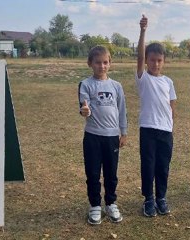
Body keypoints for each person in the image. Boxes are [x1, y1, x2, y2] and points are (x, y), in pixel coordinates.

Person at [78, 45, 128, 225]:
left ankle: (111, 203)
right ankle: (95, 206)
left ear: (110, 63)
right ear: (90, 63)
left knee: (111, 173)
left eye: (105, 62)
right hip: (92, 136)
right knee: (92, 173)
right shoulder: (86, 84)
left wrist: (123, 133)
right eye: (98, 62)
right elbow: (84, 108)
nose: (102, 66)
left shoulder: (116, 86)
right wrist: (85, 111)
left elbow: (122, 110)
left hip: (112, 137)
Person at [136, 15, 177, 217]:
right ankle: (149, 199)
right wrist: (143, 30)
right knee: (148, 165)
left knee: (163, 166)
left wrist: (171, 127)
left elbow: (172, 106)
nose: (155, 64)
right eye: (152, 60)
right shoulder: (143, 78)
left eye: (159, 60)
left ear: (164, 61)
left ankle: (161, 197)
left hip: (165, 131)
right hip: (148, 129)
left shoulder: (168, 82)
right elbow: (140, 57)